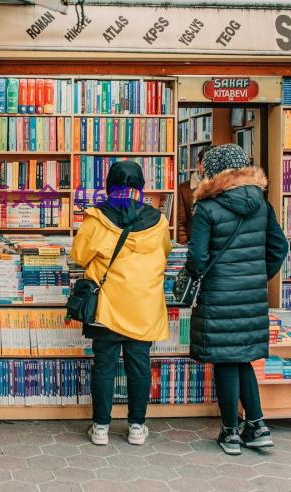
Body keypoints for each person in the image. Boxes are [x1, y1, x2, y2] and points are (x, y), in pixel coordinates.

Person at [184, 144, 288, 456]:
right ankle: (257, 426)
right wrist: (256, 277)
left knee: (225, 361)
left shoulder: (207, 206)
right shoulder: (262, 204)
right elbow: (278, 247)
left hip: (218, 294)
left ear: (213, 172)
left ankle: (230, 431)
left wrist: (197, 276)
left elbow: (198, 257)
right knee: (242, 358)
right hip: (252, 295)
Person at [70, 161, 173, 447]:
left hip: (107, 304)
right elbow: (165, 250)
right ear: (140, 187)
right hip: (143, 304)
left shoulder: (97, 217)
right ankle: (137, 427)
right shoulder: (158, 220)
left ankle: (101, 427)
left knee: (104, 365)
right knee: (139, 367)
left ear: (108, 186)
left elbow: (79, 254)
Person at [177, 145, 213, 243]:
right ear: (198, 164)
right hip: (194, 245)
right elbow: (179, 223)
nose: (210, 168)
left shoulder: (224, 187)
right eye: (206, 163)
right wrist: (185, 246)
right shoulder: (183, 189)